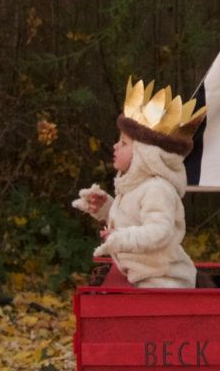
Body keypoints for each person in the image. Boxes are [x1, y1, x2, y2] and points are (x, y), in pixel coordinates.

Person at [73, 77, 207, 289]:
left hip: (166, 282)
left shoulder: (157, 188)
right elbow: (133, 221)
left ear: (147, 155)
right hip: (144, 278)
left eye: (124, 143)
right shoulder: (137, 187)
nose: (115, 146)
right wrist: (106, 209)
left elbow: (159, 232)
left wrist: (120, 237)